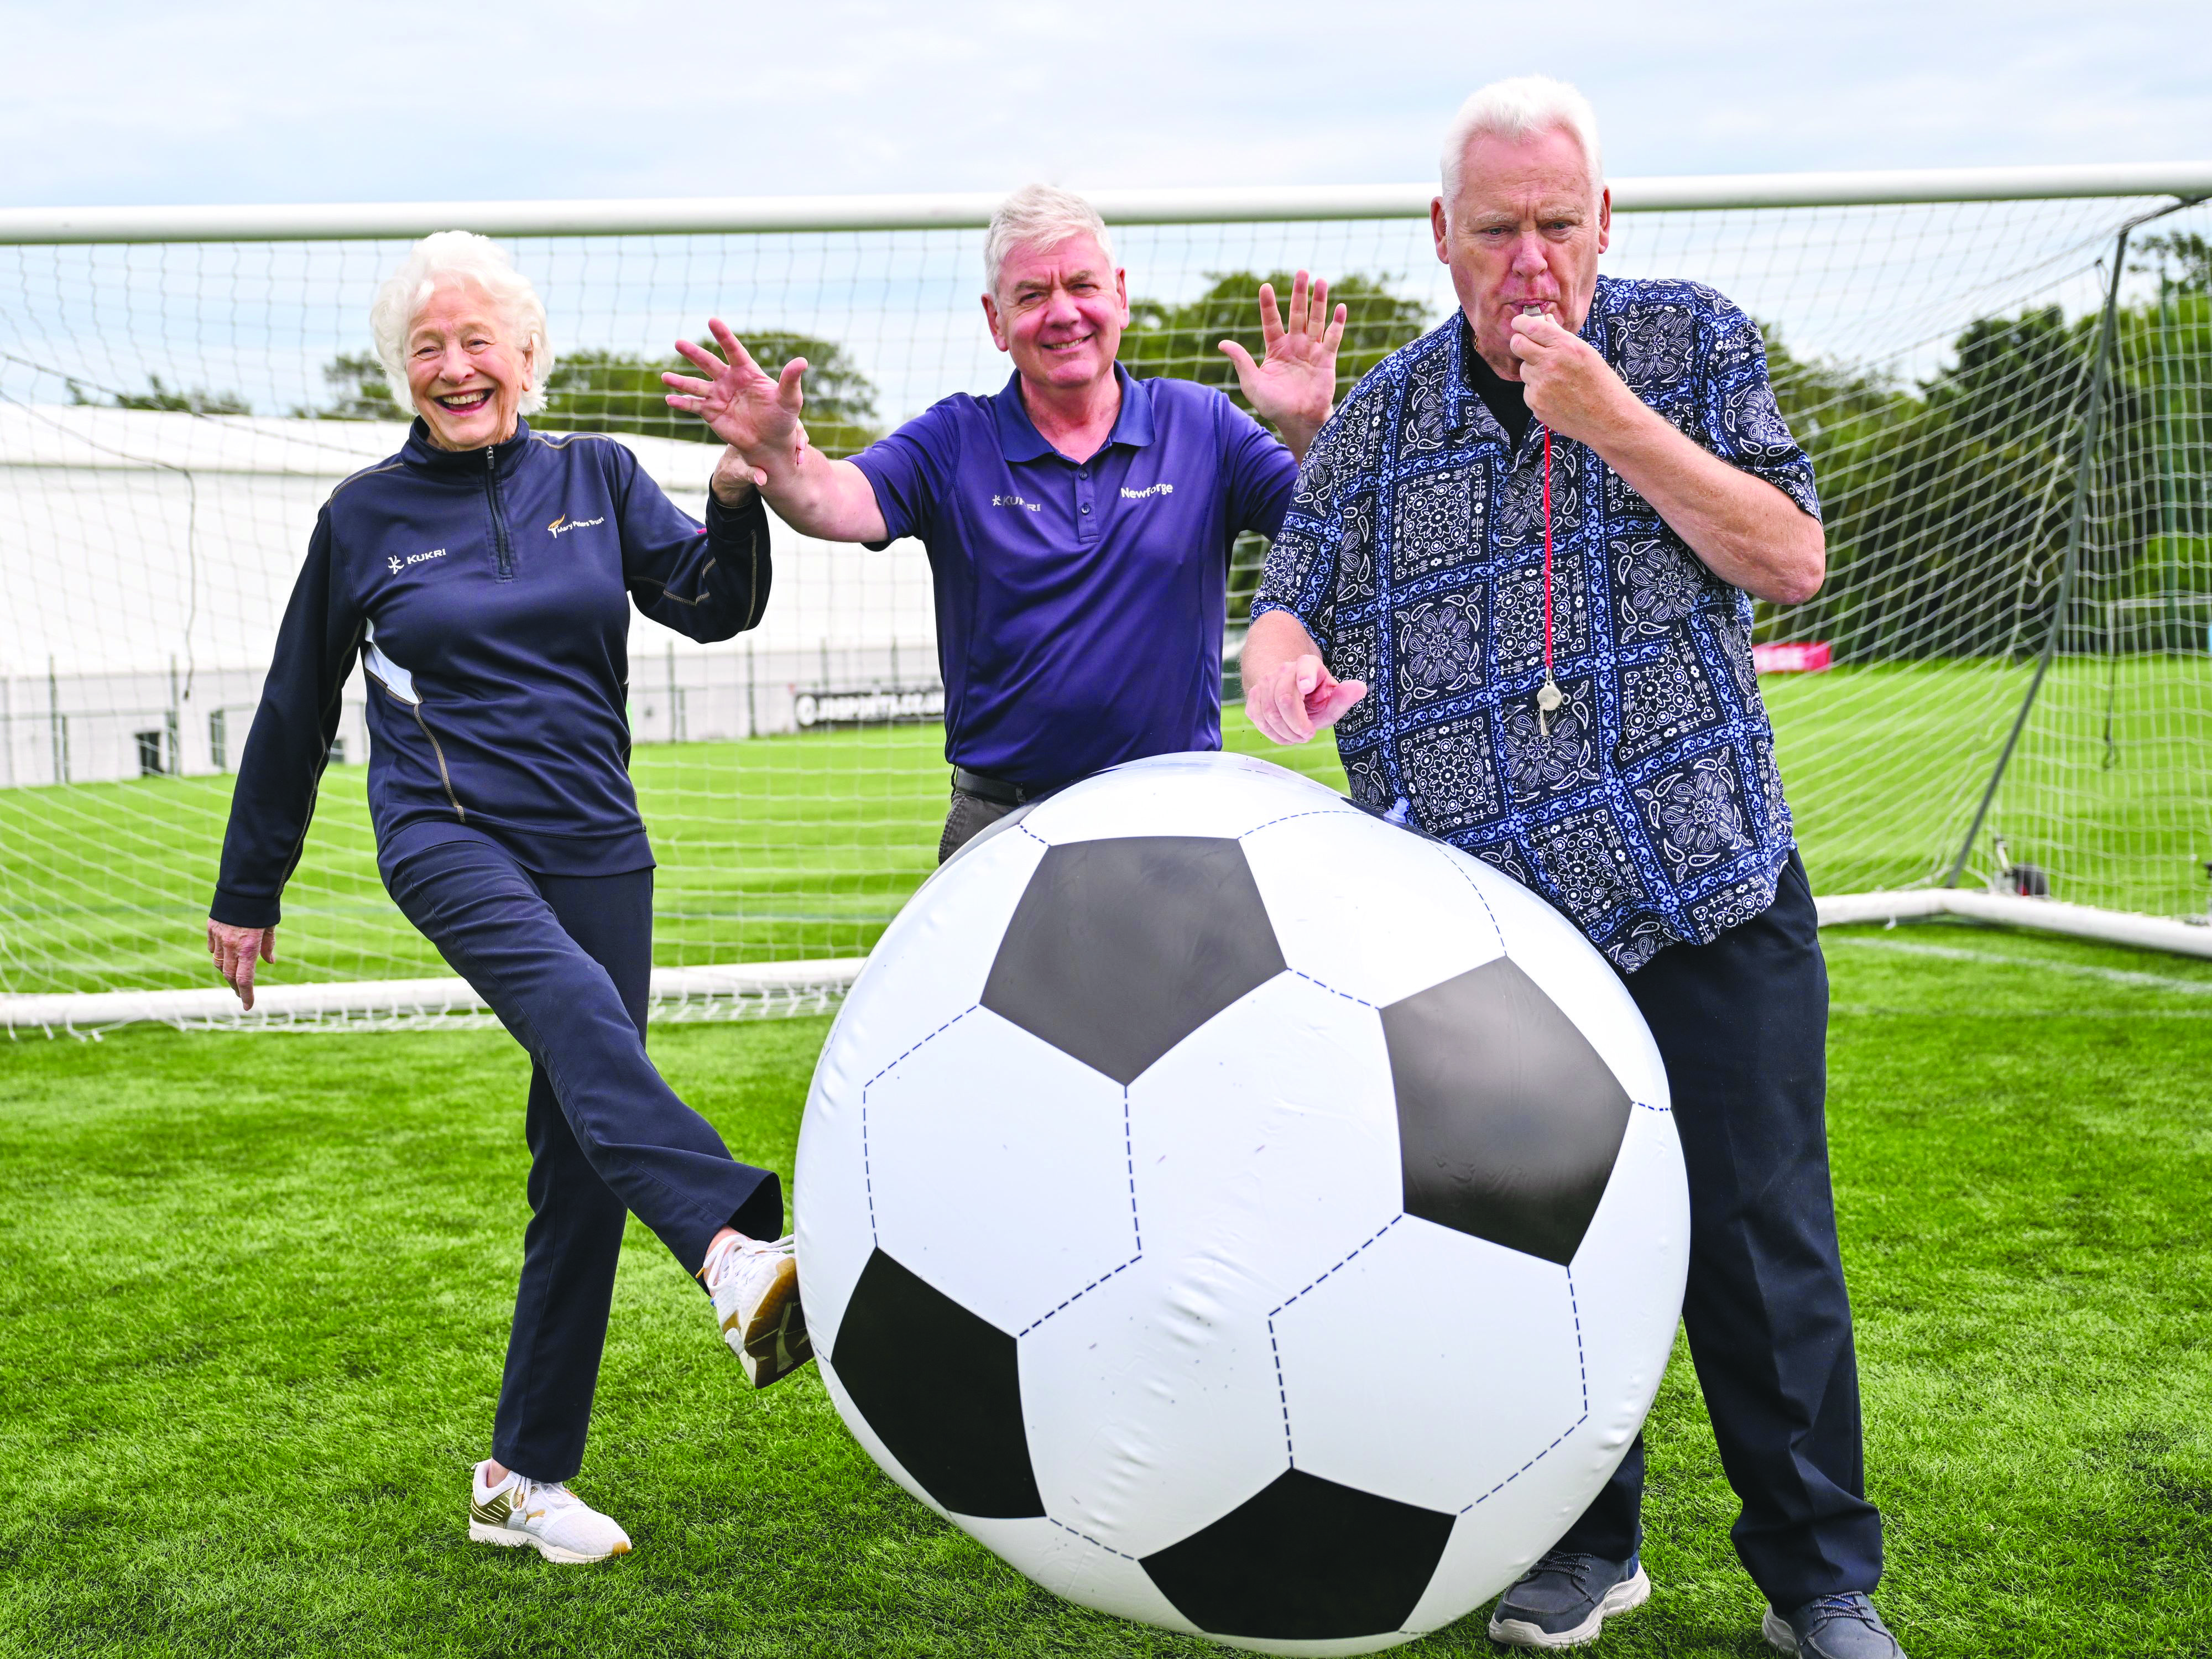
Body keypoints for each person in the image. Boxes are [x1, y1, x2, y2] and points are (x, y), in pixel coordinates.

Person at [1243, 78, 1905, 1659]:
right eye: (1497, 231)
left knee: (1756, 1252)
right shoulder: (1388, 416)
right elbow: (1297, 590)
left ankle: (1819, 1585)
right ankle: (1580, 1545)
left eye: (1558, 225)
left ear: (1604, 223)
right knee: (1521, 1266)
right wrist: (1280, 660)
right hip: (1490, 948)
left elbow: (1791, 556)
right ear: (1441, 237)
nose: (1529, 260)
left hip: (1704, 897)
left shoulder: (1690, 344)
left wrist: (1611, 419)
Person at [205, 231, 808, 1567]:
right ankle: (730, 1246)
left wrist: (732, 492)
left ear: (527, 357)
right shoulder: (361, 518)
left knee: (584, 1158)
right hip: (446, 832)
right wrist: (250, 889)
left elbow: (715, 607)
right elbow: (297, 705)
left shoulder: (596, 475)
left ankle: (519, 1477)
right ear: (402, 374)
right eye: (427, 347)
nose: (455, 363)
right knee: (582, 1016)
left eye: (479, 340)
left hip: (598, 843)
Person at [661, 184, 1345, 859]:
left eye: (1082, 285)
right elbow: (830, 500)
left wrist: (1307, 427)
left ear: (1121, 296)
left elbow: (1333, 530)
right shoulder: (955, 438)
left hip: (1172, 815)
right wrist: (780, 452)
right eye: (1032, 295)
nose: (1064, 313)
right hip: (1002, 825)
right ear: (995, 321)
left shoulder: (1204, 426)